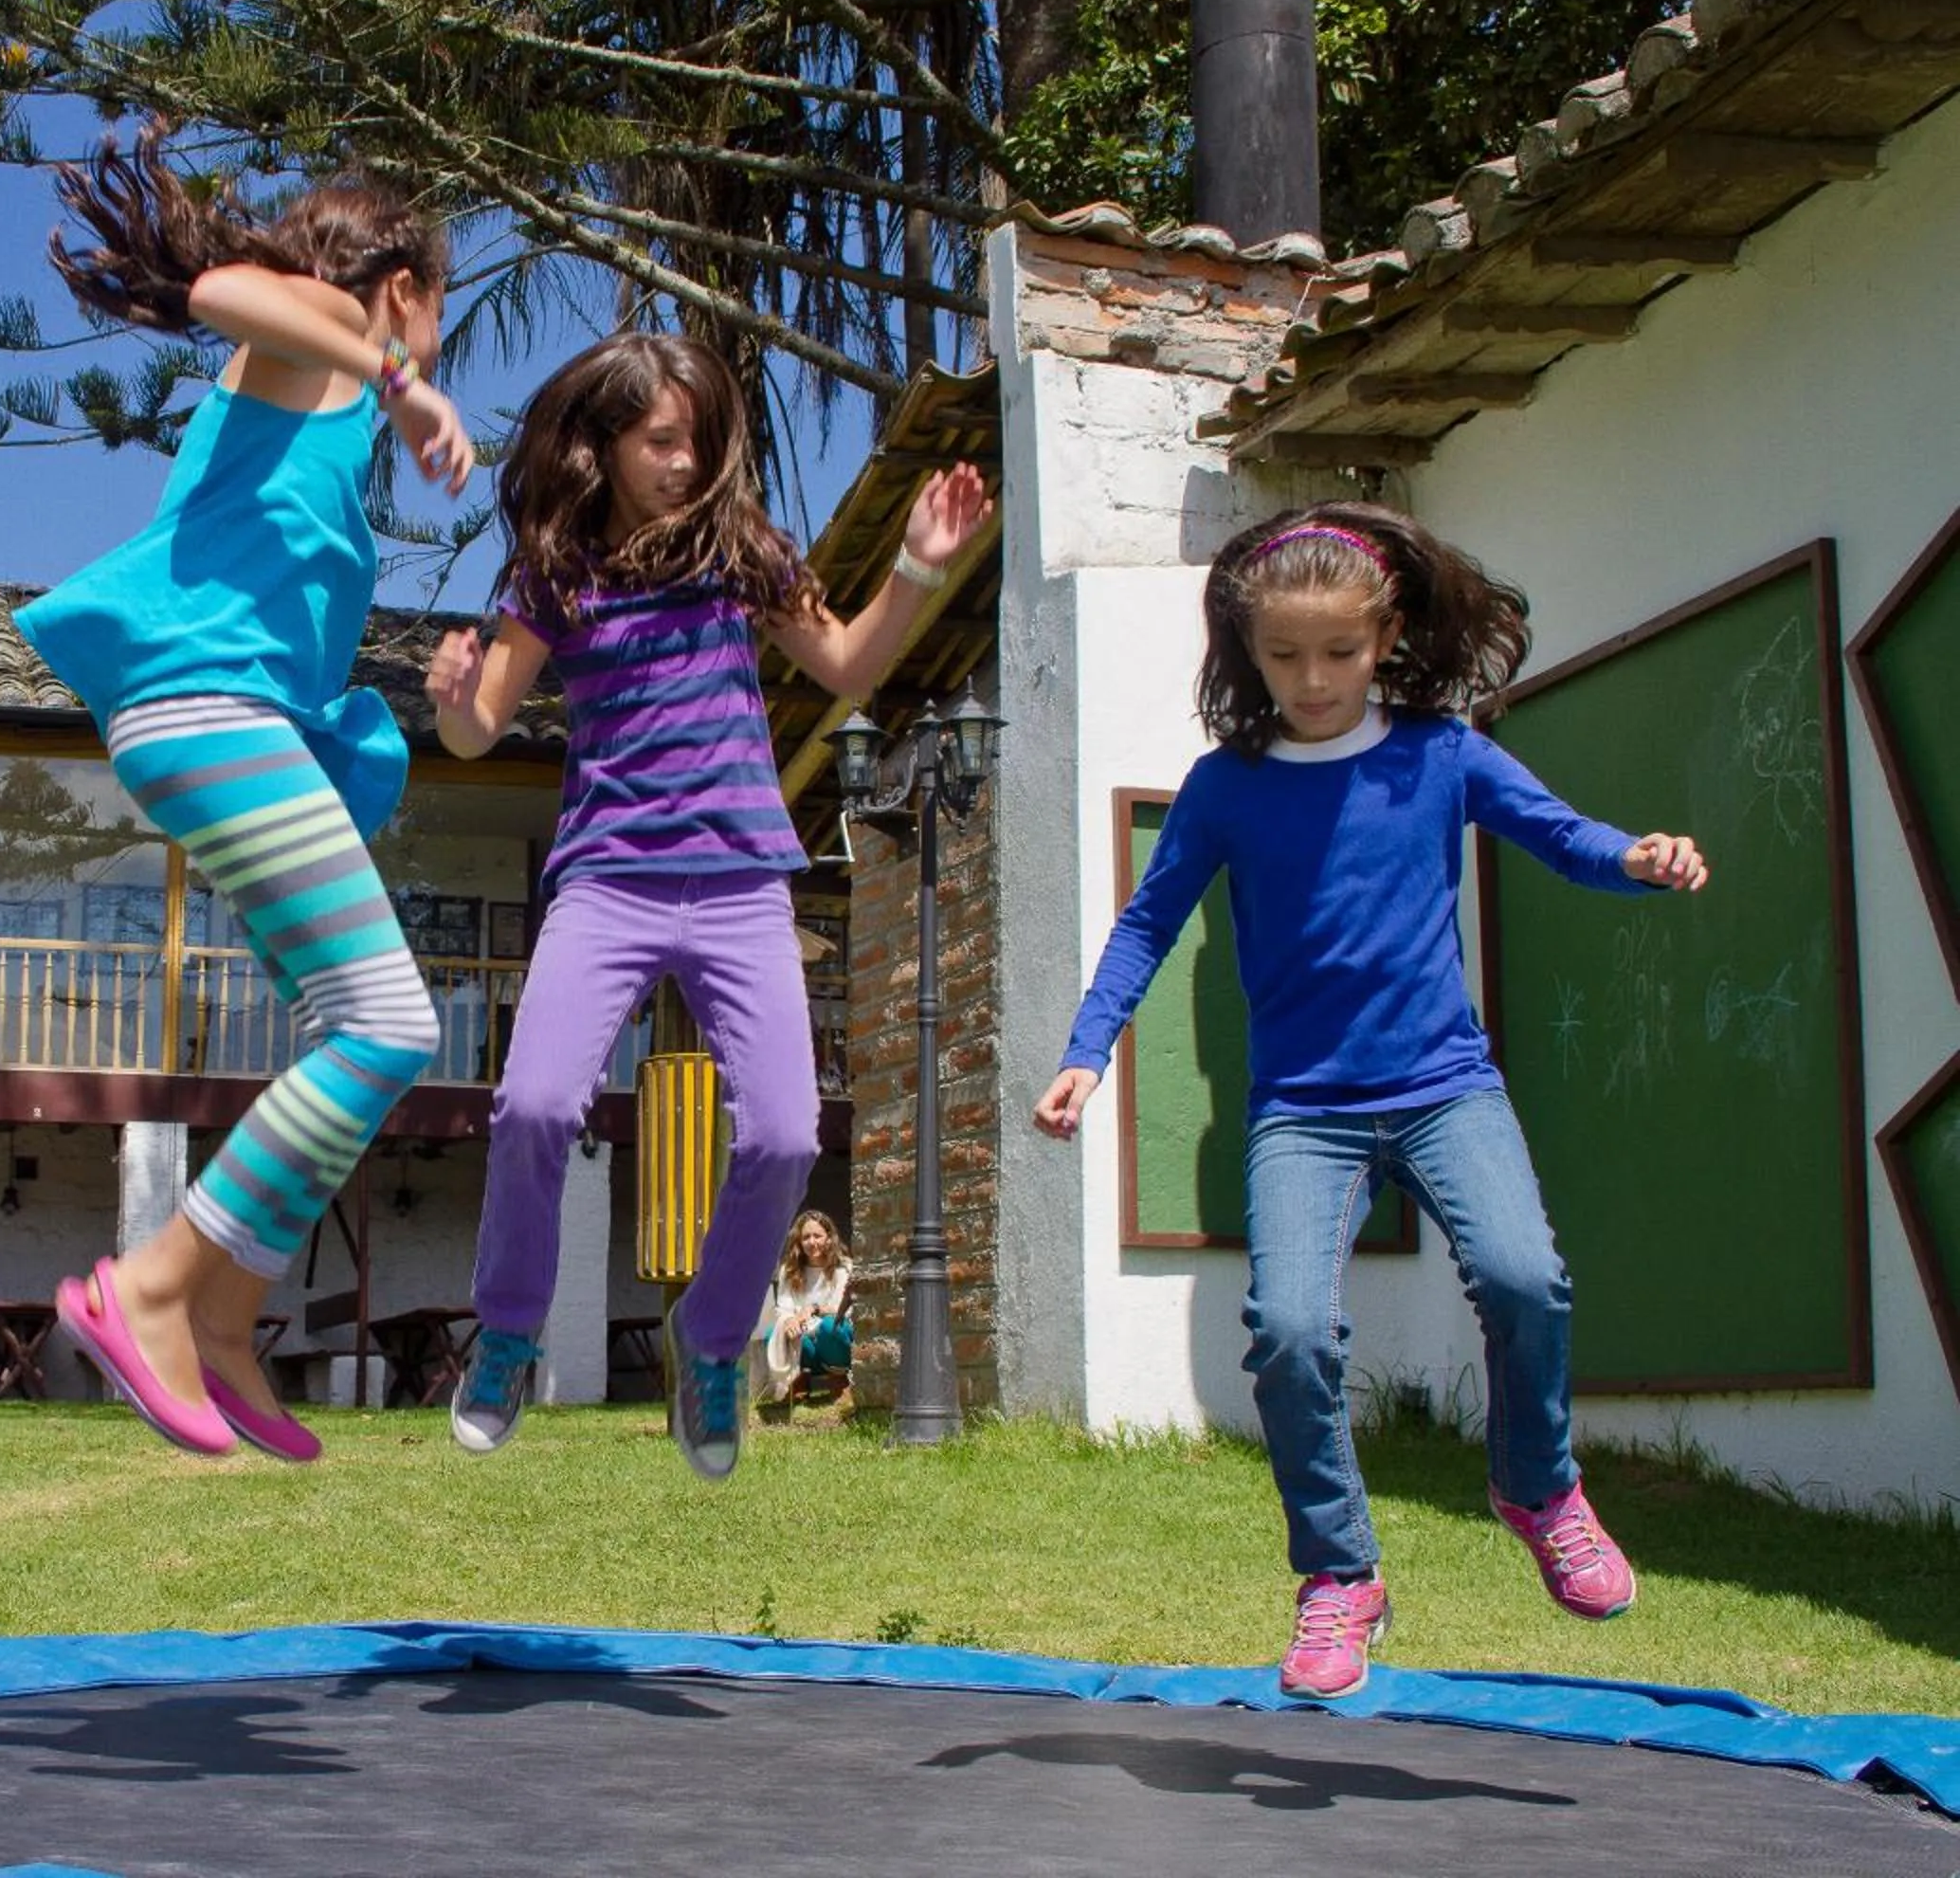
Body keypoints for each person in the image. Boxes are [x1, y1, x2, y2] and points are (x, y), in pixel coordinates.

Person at [1030, 503, 1710, 1702]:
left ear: (1385, 636)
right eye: (1283, 657)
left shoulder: (1440, 754)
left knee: (1523, 1277)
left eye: (1337, 654)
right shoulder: (1227, 786)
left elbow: (1556, 835)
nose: (1311, 680)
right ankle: (1341, 1574)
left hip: (1447, 1084)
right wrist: (1092, 1048)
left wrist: (1635, 858)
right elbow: (1148, 919)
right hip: (1305, 1109)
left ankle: (1538, 1487)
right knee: (1290, 1329)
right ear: (1250, 649)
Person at [430, 331, 992, 1479]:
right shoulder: (559, 573)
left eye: (699, 438)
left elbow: (844, 665)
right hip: (607, 879)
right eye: (660, 441)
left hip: (741, 878)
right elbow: (478, 725)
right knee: (536, 1105)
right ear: (606, 445)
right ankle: (510, 1329)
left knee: (788, 1131)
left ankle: (713, 1338)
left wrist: (922, 566)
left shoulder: (739, 549)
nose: (685, 462)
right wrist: (448, 700)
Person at [9, 126, 468, 1462]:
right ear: (396, 285)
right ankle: (151, 1286)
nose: (438, 344)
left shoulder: (322, 394)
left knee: (352, 1022)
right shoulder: (329, 335)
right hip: (209, 716)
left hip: (215, 724)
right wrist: (395, 374)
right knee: (388, 1025)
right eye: (435, 311)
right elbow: (219, 293)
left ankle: (222, 1318)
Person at [755, 1209, 853, 1404]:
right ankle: (800, 1380)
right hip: (804, 1343)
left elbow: (845, 1309)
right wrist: (790, 1320)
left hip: (833, 1342)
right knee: (772, 1333)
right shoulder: (789, 1270)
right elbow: (783, 1308)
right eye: (806, 1237)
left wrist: (812, 1309)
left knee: (830, 1326)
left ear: (828, 1238)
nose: (812, 1242)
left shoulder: (843, 1267)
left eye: (818, 1235)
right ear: (799, 1241)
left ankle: (838, 1380)